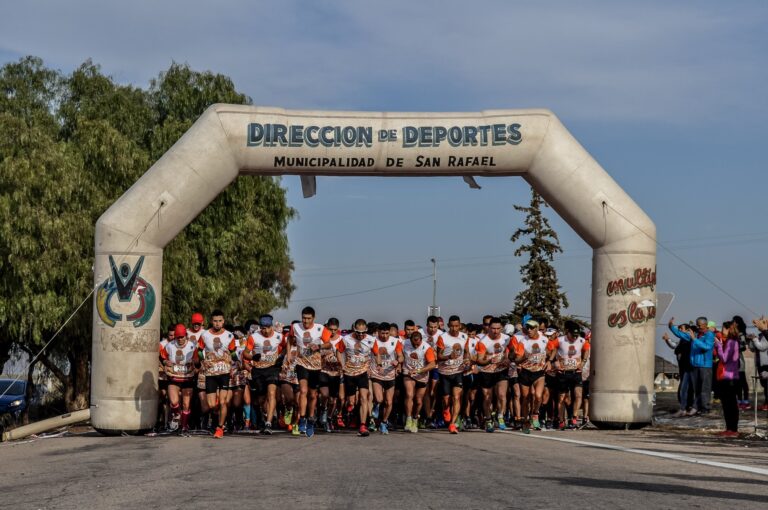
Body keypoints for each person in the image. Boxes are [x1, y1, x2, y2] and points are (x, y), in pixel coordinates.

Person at [336, 319, 380, 436]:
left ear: (366, 330)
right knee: (351, 402)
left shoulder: (371, 340)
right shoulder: (346, 339)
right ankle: (347, 410)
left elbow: (377, 354)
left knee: (364, 398)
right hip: (349, 373)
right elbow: (338, 351)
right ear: (354, 330)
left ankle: (363, 426)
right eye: (358, 332)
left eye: (363, 332)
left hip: (363, 372)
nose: (361, 335)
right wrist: (341, 364)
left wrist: (379, 364)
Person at [292, 306, 331, 437]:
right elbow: (290, 339)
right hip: (301, 363)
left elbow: (329, 344)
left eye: (309, 318)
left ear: (313, 318)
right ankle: (302, 419)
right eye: (304, 318)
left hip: (315, 366)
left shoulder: (320, 328)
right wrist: (290, 353)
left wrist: (319, 346)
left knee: (313, 395)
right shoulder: (295, 327)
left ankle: (310, 419)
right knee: (303, 391)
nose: (306, 321)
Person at [197, 310, 236, 438]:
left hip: (224, 372)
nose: (217, 323)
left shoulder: (229, 335)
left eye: (220, 321)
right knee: (212, 405)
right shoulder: (205, 335)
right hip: (210, 373)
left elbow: (233, 352)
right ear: (211, 321)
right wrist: (203, 361)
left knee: (223, 402)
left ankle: (220, 427)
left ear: (223, 321)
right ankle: (217, 419)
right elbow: (199, 350)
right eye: (215, 321)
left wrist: (236, 362)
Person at [244, 314, 284, 435]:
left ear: (271, 326)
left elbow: (286, 346)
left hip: (272, 369)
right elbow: (245, 353)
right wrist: (252, 357)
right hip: (258, 370)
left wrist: (281, 357)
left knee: (271, 393)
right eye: (263, 328)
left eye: (267, 328)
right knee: (261, 400)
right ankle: (266, 415)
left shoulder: (279, 336)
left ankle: (268, 423)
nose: (265, 331)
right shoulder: (253, 337)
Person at [512, 319, 553, 433]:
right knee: (525, 397)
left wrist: (549, 361)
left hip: (539, 372)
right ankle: (525, 421)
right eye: (527, 328)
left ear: (536, 328)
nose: (529, 330)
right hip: (525, 372)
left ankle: (535, 414)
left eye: (531, 328)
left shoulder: (544, 339)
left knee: (538, 396)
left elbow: (553, 350)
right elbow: (516, 360)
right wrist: (524, 357)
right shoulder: (523, 341)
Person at [668, 317, 715, 415]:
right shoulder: (696, 334)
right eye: (697, 324)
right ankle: (696, 407)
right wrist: (672, 327)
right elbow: (682, 334)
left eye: (699, 325)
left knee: (705, 388)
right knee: (697, 388)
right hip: (695, 365)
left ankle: (705, 408)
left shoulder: (709, 335)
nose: (697, 327)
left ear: (705, 325)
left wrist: (695, 339)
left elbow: (707, 346)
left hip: (705, 365)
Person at [550, 321, 590, 429]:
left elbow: (587, 349)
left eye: (576, 335)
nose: (575, 338)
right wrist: (554, 362)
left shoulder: (581, 340)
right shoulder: (560, 340)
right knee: (562, 398)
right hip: (563, 373)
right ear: (567, 332)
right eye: (573, 335)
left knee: (578, 395)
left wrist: (583, 362)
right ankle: (561, 420)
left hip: (576, 373)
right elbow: (550, 350)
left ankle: (574, 418)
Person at [160, 324, 199, 434]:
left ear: (186, 335)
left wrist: (194, 361)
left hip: (187, 378)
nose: (180, 339)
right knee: (174, 402)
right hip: (174, 377)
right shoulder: (169, 346)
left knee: (186, 404)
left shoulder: (192, 346)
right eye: (178, 337)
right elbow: (162, 357)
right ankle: (177, 414)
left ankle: (184, 426)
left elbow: (197, 360)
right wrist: (165, 362)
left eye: (182, 337)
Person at [476, 317, 511, 432]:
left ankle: (500, 416)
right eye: (493, 328)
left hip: (501, 370)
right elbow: (479, 360)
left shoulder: (507, 338)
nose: (495, 331)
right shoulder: (483, 342)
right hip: (487, 372)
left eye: (498, 328)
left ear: (501, 328)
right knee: (487, 398)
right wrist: (490, 360)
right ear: (489, 328)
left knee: (501, 395)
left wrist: (507, 359)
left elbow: (511, 352)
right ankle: (488, 419)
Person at [435, 315, 469, 434]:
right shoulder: (443, 337)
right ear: (448, 326)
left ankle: (453, 424)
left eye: (456, 326)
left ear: (460, 325)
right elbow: (438, 356)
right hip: (445, 372)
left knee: (456, 397)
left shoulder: (464, 337)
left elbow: (466, 352)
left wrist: (467, 360)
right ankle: (446, 409)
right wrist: (449, 356)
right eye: (452, 326)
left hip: (458, 371)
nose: (454, 329)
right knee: (446, 400)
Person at [369, 322, 403, 434]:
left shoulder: (395, 341)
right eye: (382, 333)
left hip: (390, 375)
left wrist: (397, 361)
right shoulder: (373, 341)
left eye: (387, 333)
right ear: (378, 332)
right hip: (377, 373)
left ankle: (384, 422)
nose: (384, 336)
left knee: (389, 402)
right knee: (379, 399)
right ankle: (376, 406)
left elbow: (401, 356)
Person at [402, 331, 437, 433]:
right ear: (410, 340)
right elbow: (398, 353)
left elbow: (432, 364)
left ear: (421, 340)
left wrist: (419, 371)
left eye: (418, 344)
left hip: (422, 376)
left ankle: (415, 419)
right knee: (409, 395)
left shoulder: (426, 348)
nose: (416, 346)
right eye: (414, 344)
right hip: (408, 373)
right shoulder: (404, 343)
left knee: (418, 401)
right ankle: (408, 419)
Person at [714, 321, 740, 437]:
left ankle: (732, 429)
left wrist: (718, 345)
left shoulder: (730, 342)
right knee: (729, 404)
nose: (721, 331)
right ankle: (730, 428)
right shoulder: (733, 341)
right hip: (730, 376)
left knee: (729, 404)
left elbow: (724, 358)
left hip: (728, 377)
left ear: (729, 329)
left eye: (723, 329)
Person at [318, 318, 344, 432]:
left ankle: (329, 418)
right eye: (330, 329)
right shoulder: (321, 339)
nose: (332, 332)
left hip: (336, 373)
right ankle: (323, 410)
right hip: (323, 371)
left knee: (333, 400)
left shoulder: (341, 340)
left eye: (335, 330)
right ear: (326, 328)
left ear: (338, 329)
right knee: (324, 395)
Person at [662, 324, 694, 417]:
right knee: (683, 387)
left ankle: (687, 406)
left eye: (681, 328)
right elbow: (674, 346)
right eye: (679, 328)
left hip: (689, 367)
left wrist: (672, 327)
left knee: (687, 387)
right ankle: (684, 406)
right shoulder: (682, 341)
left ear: (687, 330)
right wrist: (667, 340)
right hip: (683, 367)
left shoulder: (689, 339)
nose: (679, 330)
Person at [421, 316, 444, 428]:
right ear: (427, 325)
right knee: (425, 391)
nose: (433, 329)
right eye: (431, 327)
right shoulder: (420, 333)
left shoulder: (442, 335)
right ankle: (427, 417)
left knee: (433, 392)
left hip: (436, 366)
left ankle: (433, 414)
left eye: (435, 327)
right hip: (423, 366)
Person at [750, 317, 768, 411]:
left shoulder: (765, 335)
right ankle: (766, 403)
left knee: (767, 385)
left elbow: (762, 347)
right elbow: (753, 349)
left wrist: (755, 340)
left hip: (766, 364)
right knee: (764, 384)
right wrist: (751, 340)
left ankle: (767, 403)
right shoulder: (761, 335)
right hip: (760, 363)